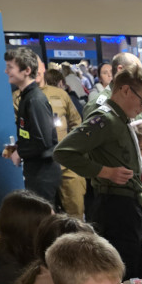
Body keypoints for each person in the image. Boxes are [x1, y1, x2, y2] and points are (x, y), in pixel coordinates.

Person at [54, 67, 142, 280]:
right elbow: (63, 152)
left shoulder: (122, 120)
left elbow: (134, 172)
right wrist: (104, 171)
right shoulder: (105, 119)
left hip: (130, 206)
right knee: (124, 275)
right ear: (126, 90)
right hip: (115, 208)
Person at [4, 47, 62, 206]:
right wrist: (15, 148)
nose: (6, 71)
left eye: (10, 67)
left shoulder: (35, 100)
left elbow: (42, 142)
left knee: (43, 220)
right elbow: (27, 134)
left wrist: (19, 152)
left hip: (43, 173)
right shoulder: (26, 97)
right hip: (35, 170)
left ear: (27, 70)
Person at [41, 67, 86, 218]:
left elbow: (76, 123)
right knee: (44, 214)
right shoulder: (20, 97)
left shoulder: (61, 95)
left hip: (66, 161)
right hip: (41, 165)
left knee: (76, 210)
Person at [84, 51, 142, 119]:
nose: (140, 76)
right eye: (136, 71)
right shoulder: (99, 104)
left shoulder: (134, 97)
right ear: (120, 70)